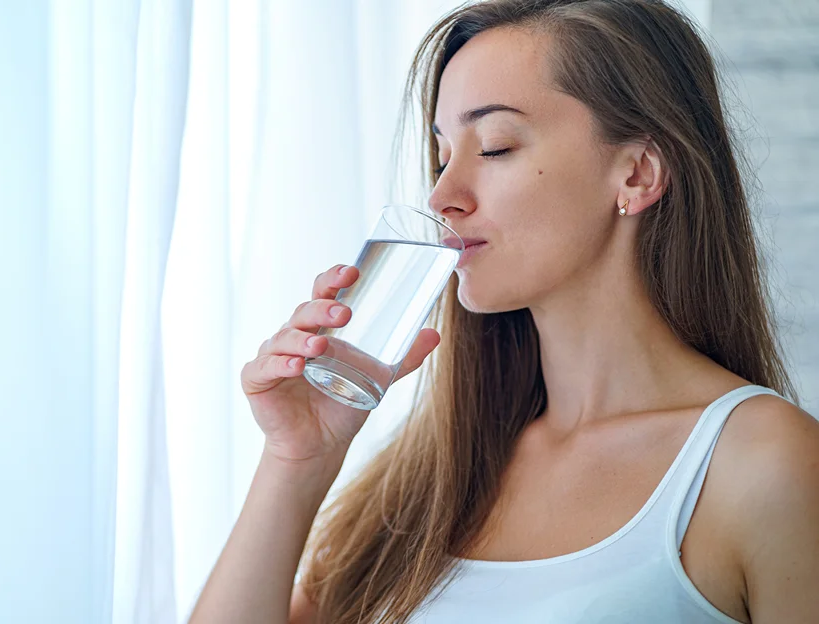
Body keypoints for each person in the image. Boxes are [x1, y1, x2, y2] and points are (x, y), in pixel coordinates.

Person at [190, 1, 819, 622]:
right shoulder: (432, 475)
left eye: (493, 148)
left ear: (637, 173)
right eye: (442, 155)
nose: (442, 196)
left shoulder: (761, 463)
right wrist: (298, 460)